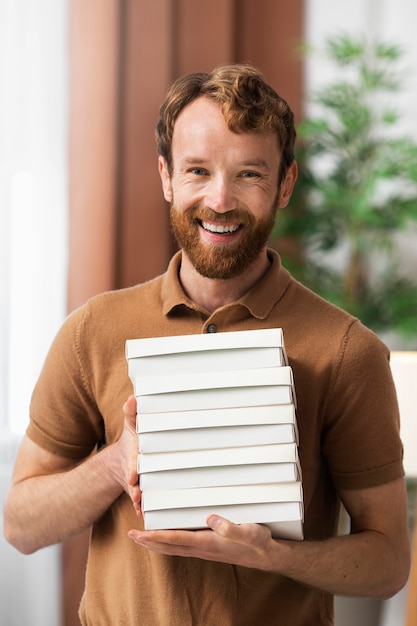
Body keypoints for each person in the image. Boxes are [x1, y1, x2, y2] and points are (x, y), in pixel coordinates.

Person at [3, 64, 410, 625]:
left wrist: (275, 555)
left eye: (248, 174)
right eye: (198, 170)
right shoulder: (93, 330)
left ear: (285, 184)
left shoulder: (346, 351)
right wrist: (115, 464)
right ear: (167, 177)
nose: (220, 200)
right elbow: (20, 524)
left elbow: (389, 562)